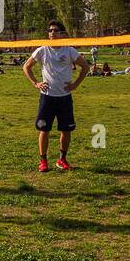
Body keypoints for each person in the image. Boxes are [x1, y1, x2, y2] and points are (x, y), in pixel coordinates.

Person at [22, 20, 89, 172]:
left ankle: (62, 159)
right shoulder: (42, 50)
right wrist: (35, 83)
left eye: (56, 30)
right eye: (50, 30)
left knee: (66, 130)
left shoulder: (69, 50)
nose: (52, 32)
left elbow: (85, 67)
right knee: (44, 130)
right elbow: (26, 67)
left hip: (64, 97)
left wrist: (75, 85)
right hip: (47, 97)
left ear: (62, 34)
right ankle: (43, 161)